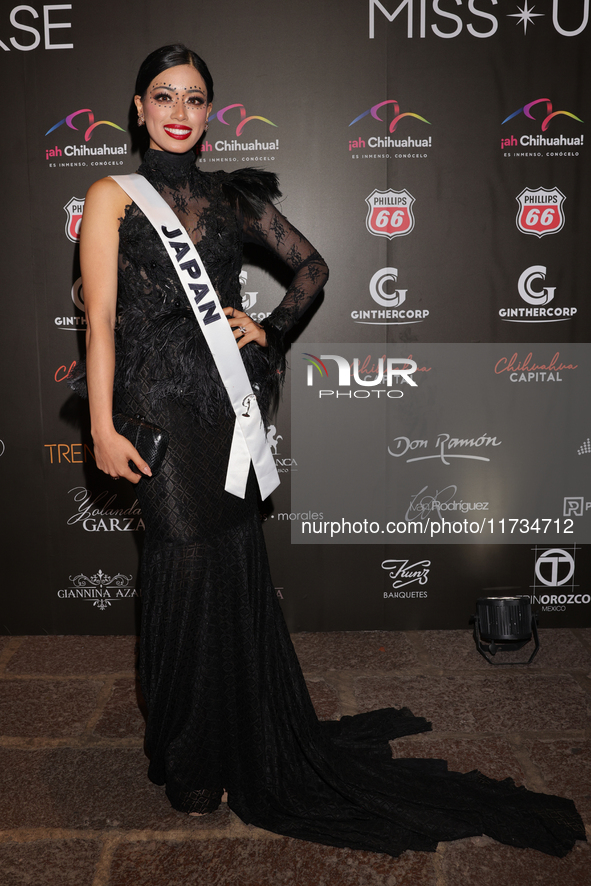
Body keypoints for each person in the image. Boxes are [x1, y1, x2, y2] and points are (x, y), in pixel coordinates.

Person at [77, 44, 585, 857]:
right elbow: (98, 322)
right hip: (154, 410)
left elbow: (311, 268)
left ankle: (234, 735)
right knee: (180, 566)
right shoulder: (112, 195)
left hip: (225, 406)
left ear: (210, 113)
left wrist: (268, 329)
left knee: (230, 561)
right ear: (138, 108)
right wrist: (101, 426)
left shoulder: (231, 196)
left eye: (195, 98)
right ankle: (189, 751)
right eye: (164, 97)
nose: (179, 112)